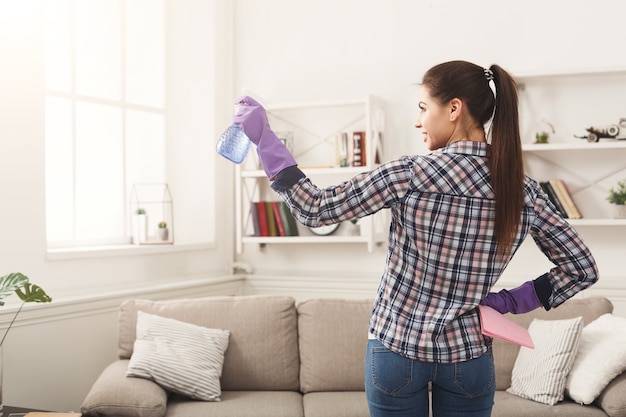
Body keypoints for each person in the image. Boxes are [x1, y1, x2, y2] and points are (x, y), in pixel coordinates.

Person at [231, 60, 599, 417]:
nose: (417, 120)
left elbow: (314, 209)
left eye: (423, 107)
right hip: (468, 358)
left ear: (454, 108)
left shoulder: (410, 173)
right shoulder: (523, 189)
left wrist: (265, 138)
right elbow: (581, 268)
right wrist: (506, 302)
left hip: (397, 350)